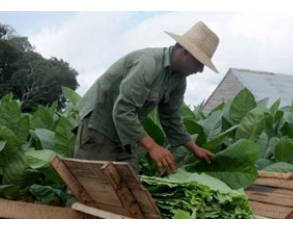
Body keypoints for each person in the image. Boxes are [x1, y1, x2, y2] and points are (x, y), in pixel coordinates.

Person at [74, 21, 219, 174]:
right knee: (92, 180)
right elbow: (123, 110)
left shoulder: (179, 80)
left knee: (128, 184)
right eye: (199, 63)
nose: (201, 70)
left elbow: (171, 117)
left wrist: (193, 147)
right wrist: (152, 147)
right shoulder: (148, 64)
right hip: (99, 123)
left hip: (125, 129)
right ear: (185, 52)